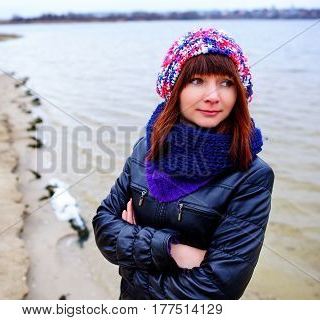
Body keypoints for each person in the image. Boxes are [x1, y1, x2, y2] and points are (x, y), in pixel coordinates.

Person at [92, 27, 275, 299]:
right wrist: (171, 249)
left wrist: (132, 265)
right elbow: (104, 227)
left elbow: (217, 290)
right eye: (197, 80)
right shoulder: (147, 148)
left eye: (226, 82)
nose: (213, 96)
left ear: (239, 92)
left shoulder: (251, 176)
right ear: (174, 89)